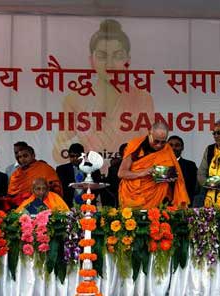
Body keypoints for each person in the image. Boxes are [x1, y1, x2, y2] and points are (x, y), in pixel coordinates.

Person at [52, 19, 154, 168]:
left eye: (118, 56)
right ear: (91, 60)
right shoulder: (75, 99)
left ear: (128, 60)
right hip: (88, 171)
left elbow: (148, 149)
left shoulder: (142, 98)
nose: (110, 64)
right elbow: (58, 153)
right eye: (102, 56)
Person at [118, 122, 189, 209]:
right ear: (149, 134)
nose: (159, 145)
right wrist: (143, 172)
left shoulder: (167, 150)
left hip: (157, 197)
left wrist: (170, 177)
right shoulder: (135, 145)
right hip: (132, 195)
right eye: (156, 141)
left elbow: (175, 177)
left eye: (163, 142)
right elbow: (121, 173)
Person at [168, 135, 198, 205]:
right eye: (170, 145)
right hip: (163, 206)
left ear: (182, 148)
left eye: (177, 145)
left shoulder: (190, 165)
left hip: (184, 205)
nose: (173, 148)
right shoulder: (160, 165)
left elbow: (194, 188)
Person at [105, 143, 127, 207]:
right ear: (121, 154)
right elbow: (111, 187)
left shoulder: (139, 166)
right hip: (120, 199)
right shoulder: (114, 168)